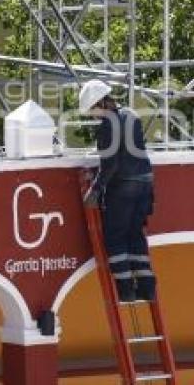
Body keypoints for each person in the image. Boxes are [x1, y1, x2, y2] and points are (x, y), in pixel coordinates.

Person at [79, 79, 156, 304]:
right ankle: (147, 288)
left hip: (123, 187)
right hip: (145, 183)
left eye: (93, 110)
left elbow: (109, 163)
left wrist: (96, 188)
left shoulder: (106, 126)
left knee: (116, 238)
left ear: (101, 102)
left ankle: (126, 290)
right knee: (135, 235)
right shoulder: (132, 115)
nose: (94, 115)